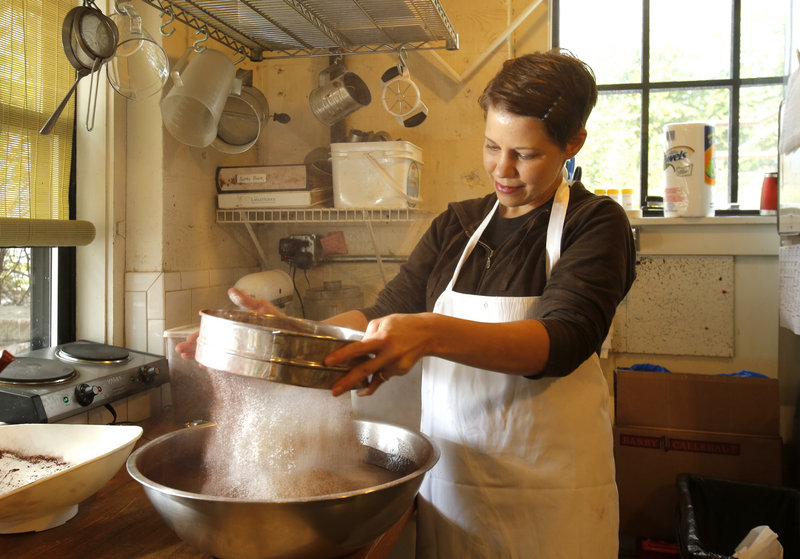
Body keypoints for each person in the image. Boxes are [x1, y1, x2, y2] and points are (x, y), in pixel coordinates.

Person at [179, 48, 635, 558]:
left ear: (573, 142)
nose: (502, 169)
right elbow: (379, 313)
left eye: (525, 155)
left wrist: (432, 332)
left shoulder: (595, 224)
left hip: (551, 497)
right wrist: (274, 338)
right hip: (454, 487)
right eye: (491, 147)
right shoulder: (457, 225)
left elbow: (563, 339)